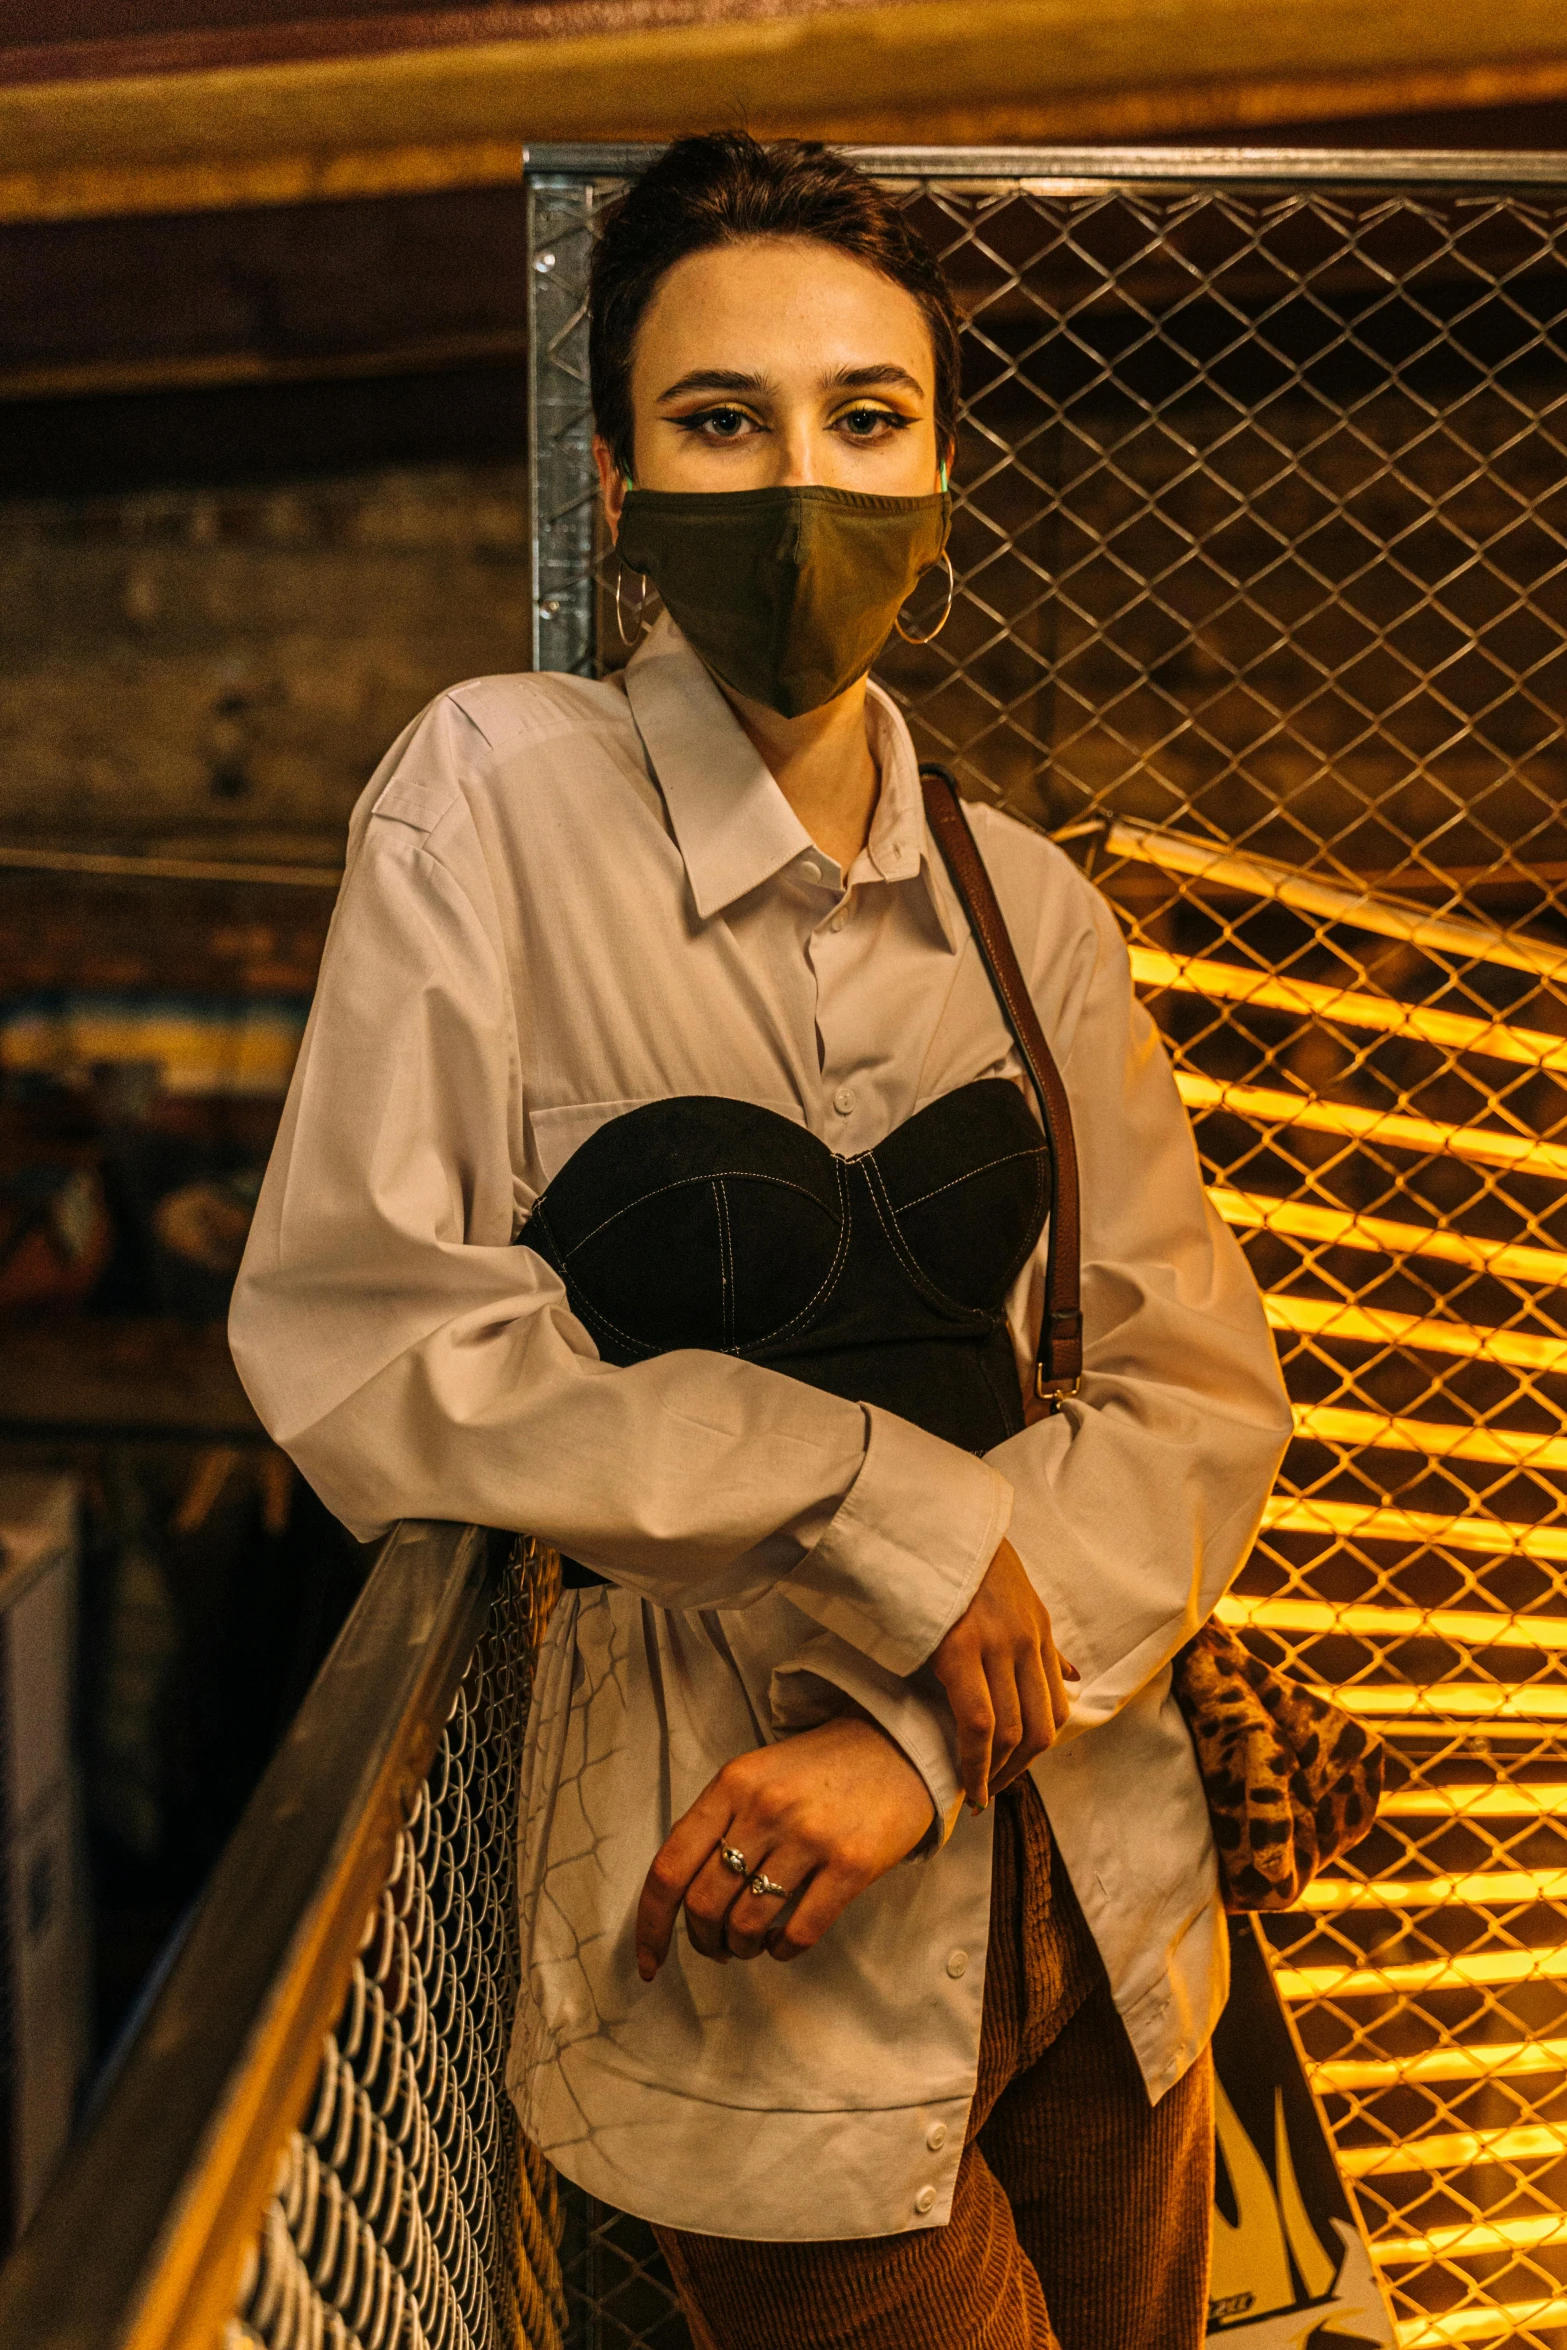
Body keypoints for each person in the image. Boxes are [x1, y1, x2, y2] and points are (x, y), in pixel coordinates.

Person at [230, 133, 1292, 2350]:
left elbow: (1191, 1392)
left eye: (862, 417)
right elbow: (367, 1328)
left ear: (937, 471)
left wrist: (918, 1738)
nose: (798, 480)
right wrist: (854, 1488)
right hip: (753, 1943)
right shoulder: (492, 799)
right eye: (722, 421)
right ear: (615, 479)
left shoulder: (1033, 904)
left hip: (1101, 1885)